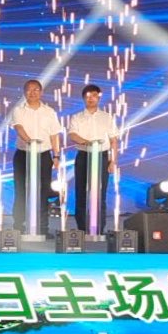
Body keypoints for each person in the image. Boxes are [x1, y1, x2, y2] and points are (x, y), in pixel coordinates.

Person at [68, 83, 120, 235]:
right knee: (81, 193)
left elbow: (114, 140)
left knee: (99, 194)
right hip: (84, 155)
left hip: (101, 157)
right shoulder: (77, 117)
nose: (91, 99)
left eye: (94, 96)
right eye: (88, 96)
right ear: (83, 98)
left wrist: (113, 161)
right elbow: (72, 135)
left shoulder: (107, 117)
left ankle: (99, 228)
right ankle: (82, 229)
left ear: (99, 98)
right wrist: (86, 142)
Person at [10, 79, 61, 236]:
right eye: (29, 90)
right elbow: (18, 127)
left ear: (41, 92)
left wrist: (56, 155)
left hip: (43, 155)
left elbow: (54, 135)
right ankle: (19, 226)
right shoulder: (18, 110)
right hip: (23, 154)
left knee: (43, 191)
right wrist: (30, 141)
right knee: (21, 190)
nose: (32, 93)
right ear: (25, 92)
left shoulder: (49, 112)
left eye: (36, 90)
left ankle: (42, 228)